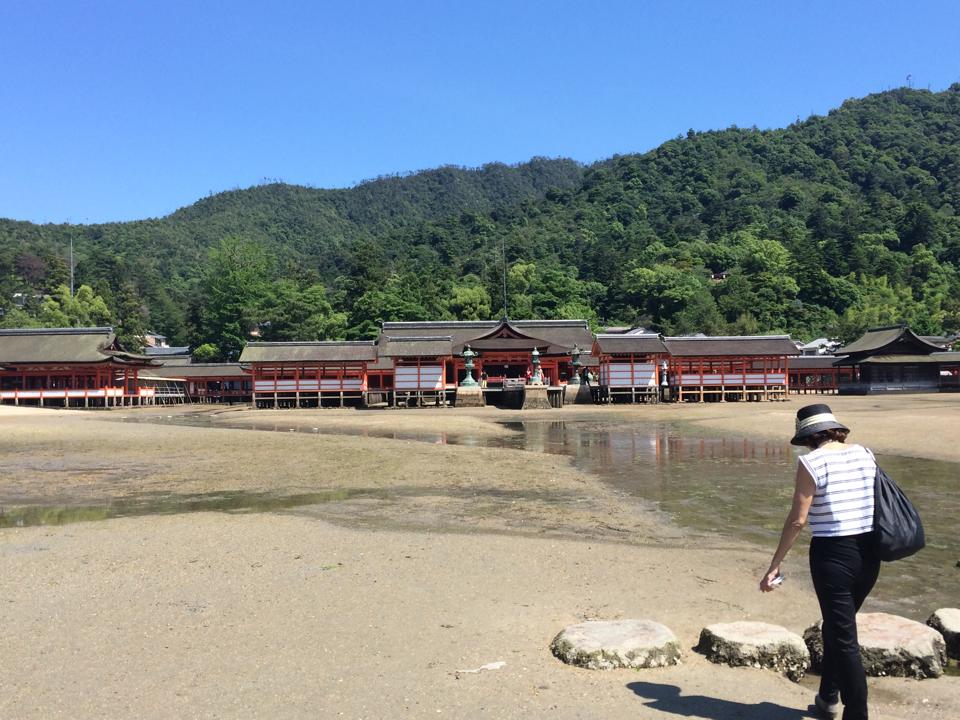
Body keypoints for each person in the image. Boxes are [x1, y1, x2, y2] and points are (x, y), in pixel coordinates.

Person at [760, 404, 879, 720]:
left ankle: (857, 713)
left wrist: (775, 565)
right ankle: (828, 698)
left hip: (833, 556)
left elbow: (798, 521)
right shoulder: (866, 454)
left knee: (844, 637)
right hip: (870, 554)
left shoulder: (811, 462)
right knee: (837, 627)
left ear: (808, 436)